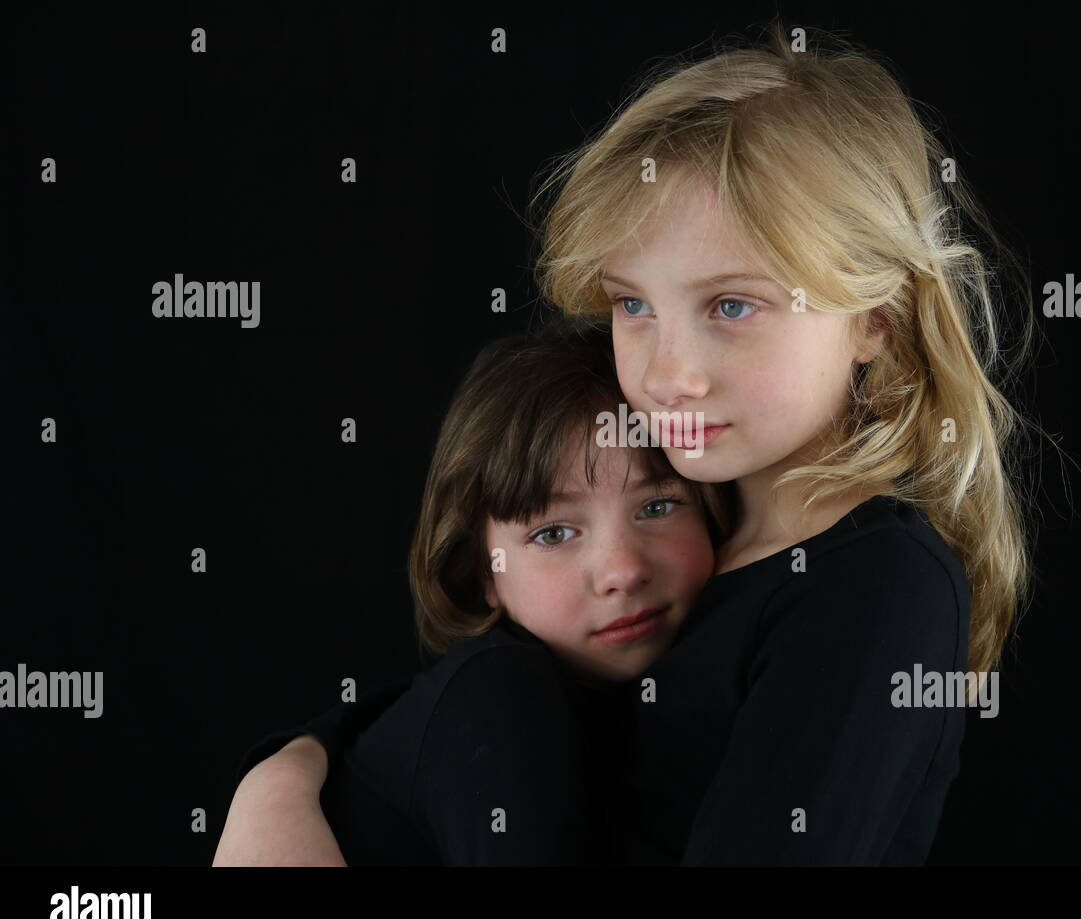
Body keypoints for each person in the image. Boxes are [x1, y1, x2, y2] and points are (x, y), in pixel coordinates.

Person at [216, 19, 1036, 866]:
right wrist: (287, 769)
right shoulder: (695, 528)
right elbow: (492, 692)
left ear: (875, 317)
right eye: (632, 305)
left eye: (731, 306)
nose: (668, 373)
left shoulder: (873, 581)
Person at [215, 327, 728, 865]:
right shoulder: (499, 694)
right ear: (485, 572)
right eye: (552, 534)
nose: (622, 571)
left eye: (658, 507)